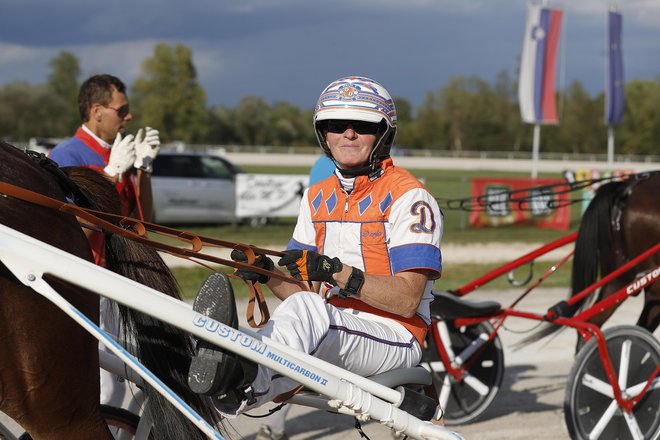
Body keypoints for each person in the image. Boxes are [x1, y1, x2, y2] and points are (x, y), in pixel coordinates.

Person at [187, 76, 443, 423]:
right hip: (333, 326)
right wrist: (268, 273)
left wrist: (338, 273)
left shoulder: (410, 197)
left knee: (309, 311)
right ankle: (231, 363)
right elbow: (301, 294)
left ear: (384, 133)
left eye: (362, 126)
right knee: (303, 308)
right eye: (336, 125)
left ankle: (244, 385)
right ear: (324, 133)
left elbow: (407, 300)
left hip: (396, 336)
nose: (348, 134)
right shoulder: (316, 196)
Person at [49, 74, 161, 407]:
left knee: (149, 382)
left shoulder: (120, 151)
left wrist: (145, 169)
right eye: (121, 110)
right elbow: (70, 231)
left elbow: (145, 222)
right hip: (89, 284)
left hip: (124, 280)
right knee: (106, 390)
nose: (128, 117)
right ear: (97, 111)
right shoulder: (66, 156)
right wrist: (109, 176)